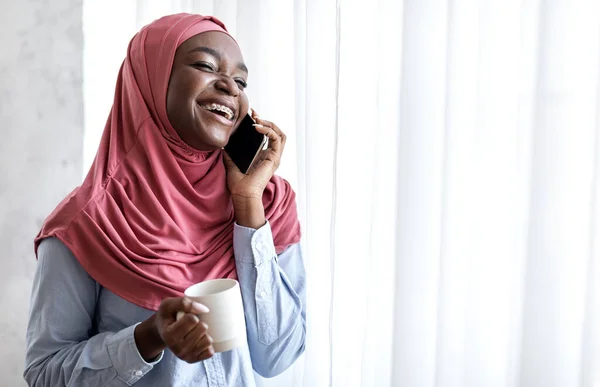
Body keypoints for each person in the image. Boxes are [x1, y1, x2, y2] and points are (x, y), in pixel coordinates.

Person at [23, 13, 305, 387]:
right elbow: (45, 374)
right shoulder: (87, 223)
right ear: (150, 83)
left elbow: (277, 356)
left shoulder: (269, 202)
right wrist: (149, 337)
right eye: (206, 65)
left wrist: (248, 204)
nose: (231, 88)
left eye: (241, 81)